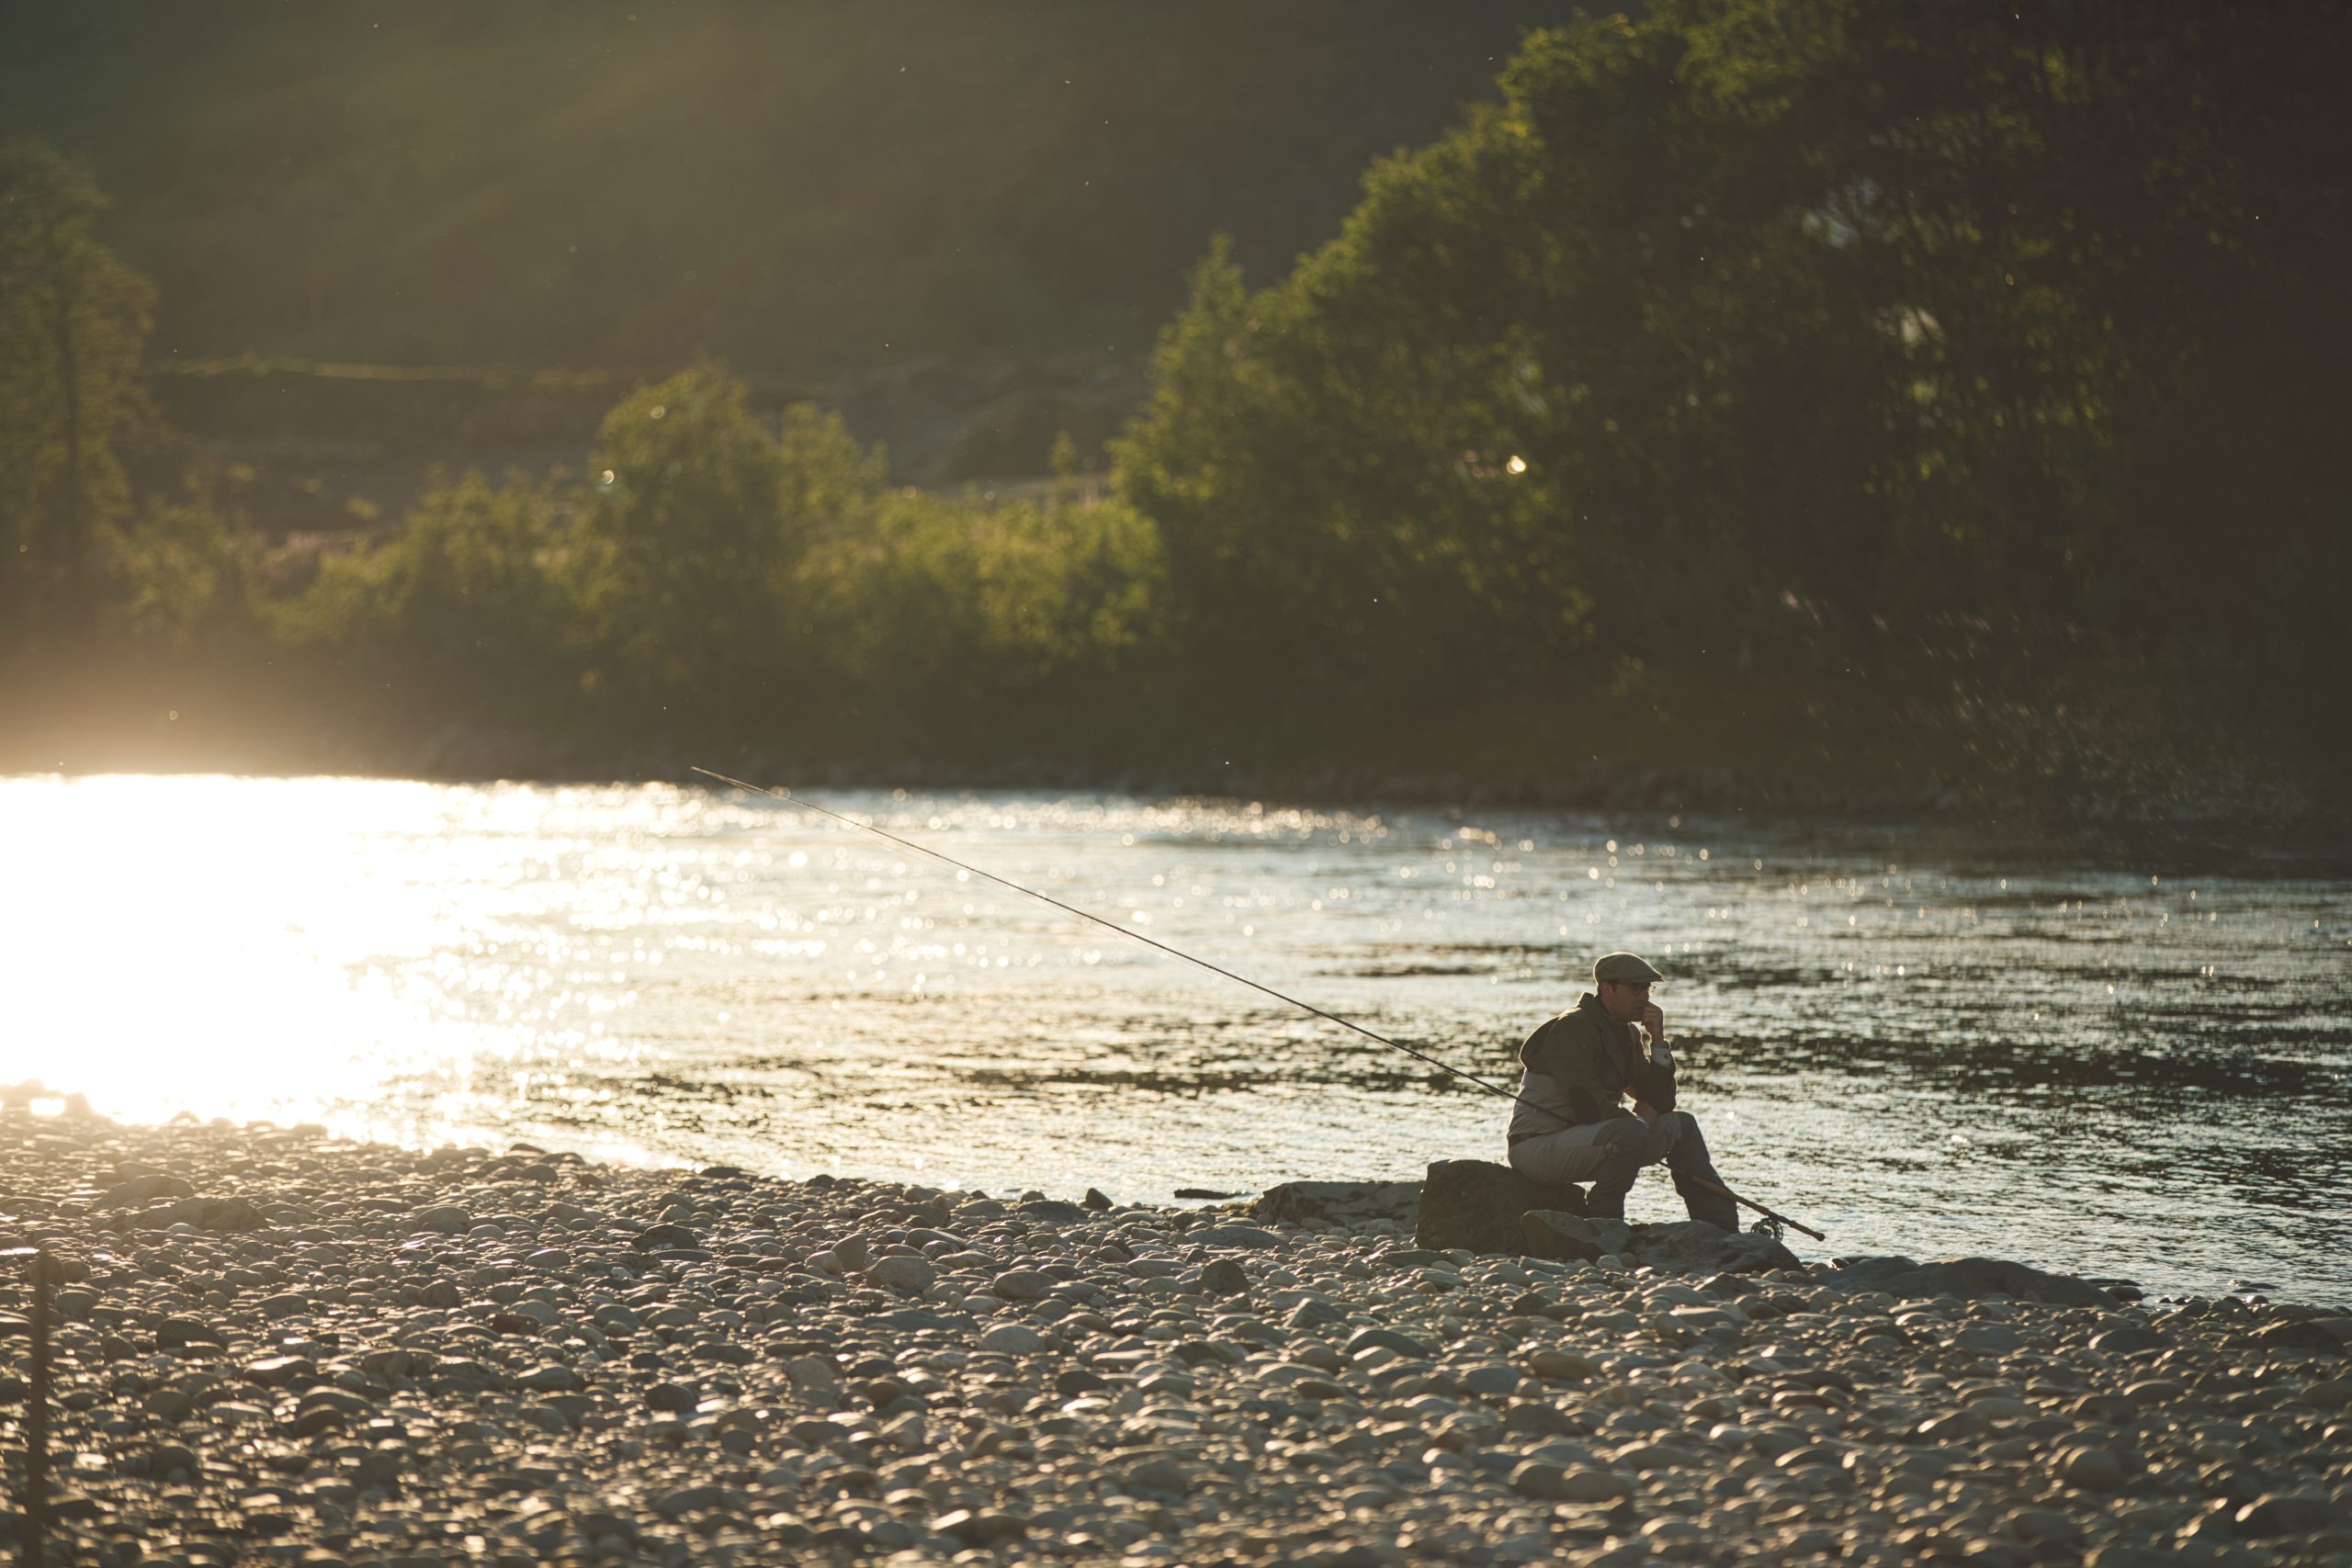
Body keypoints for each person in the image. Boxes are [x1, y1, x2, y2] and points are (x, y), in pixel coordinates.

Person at [1505, 951, 1739, 1230]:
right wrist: (1637, 1125)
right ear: (1607, 989)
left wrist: (1659, 1041)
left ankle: (1720, 1228)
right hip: (1536, 1147)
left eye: (1648, 989)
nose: (1645, 997)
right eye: (1636, 988)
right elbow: (1589, 1107)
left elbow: (1662, 1101)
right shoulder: (1572, 1027)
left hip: (1589, 1141)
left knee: (1682, 1126)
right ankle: (1603, 1222)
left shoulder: (1627, 1034)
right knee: (1631, 1131)